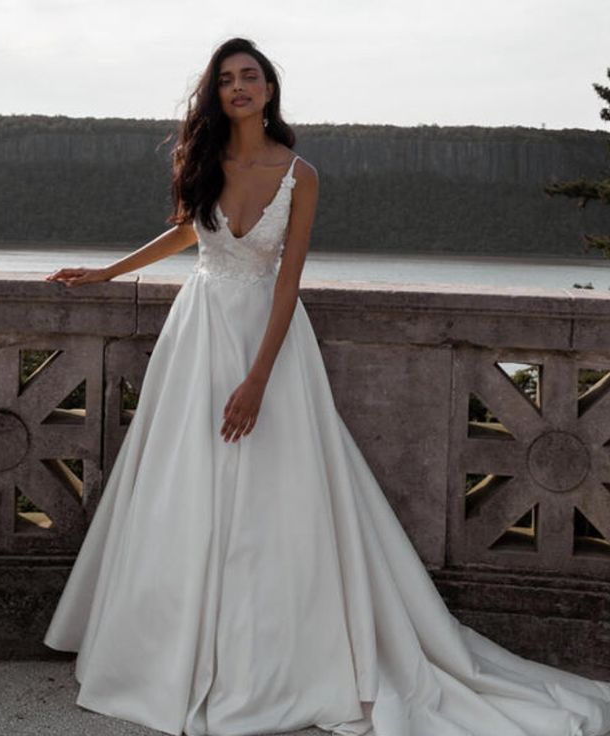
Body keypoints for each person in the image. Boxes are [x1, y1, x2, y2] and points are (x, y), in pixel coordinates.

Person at [41, 37, 610, 736]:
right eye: (226, 79)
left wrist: (258, 378)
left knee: (274, 492)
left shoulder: (299, 174)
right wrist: (106, 273)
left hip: (268, 341)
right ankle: (168, 649)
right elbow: (190, 235)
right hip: (197, 333)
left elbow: (287, 280)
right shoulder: (205, 160)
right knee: (180, 483)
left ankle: (273, 657)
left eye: (250, 76)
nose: (239, 87)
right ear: (215, 94)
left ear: (270, 89)